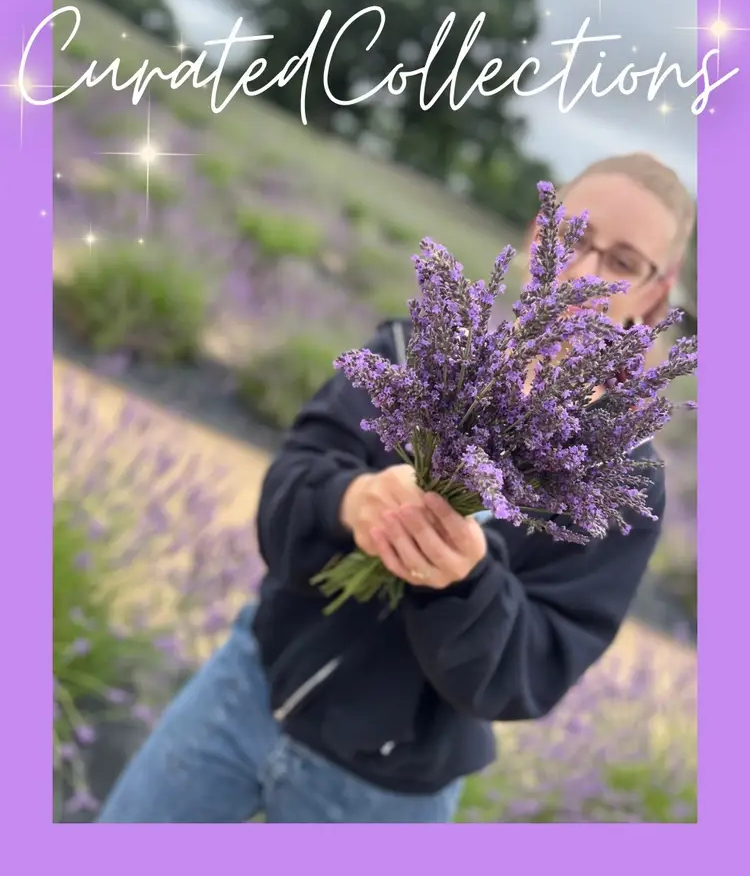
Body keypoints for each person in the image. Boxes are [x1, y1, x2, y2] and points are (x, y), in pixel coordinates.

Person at [97, 152, 696, 823]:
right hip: (247, 692)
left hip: (385, 793)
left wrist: (468, 582)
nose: (584, 273)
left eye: (623, 263)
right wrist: (350, 502)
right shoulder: (421, 352)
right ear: (539, 234)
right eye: (573, 237)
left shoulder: (622, 479)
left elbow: (532, 674)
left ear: (657, 290)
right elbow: (287, 489)